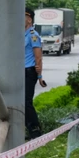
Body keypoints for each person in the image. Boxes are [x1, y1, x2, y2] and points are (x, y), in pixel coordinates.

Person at [24, 8, 45, 139]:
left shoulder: (33, 35)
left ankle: (35, 131)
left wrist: (40, 76)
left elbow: (38, 57)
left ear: (29, 19)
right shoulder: (22, 34)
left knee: (26, 102)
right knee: (20, 102)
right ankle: (28, 128)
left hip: (29, 71)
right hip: (20, 71)